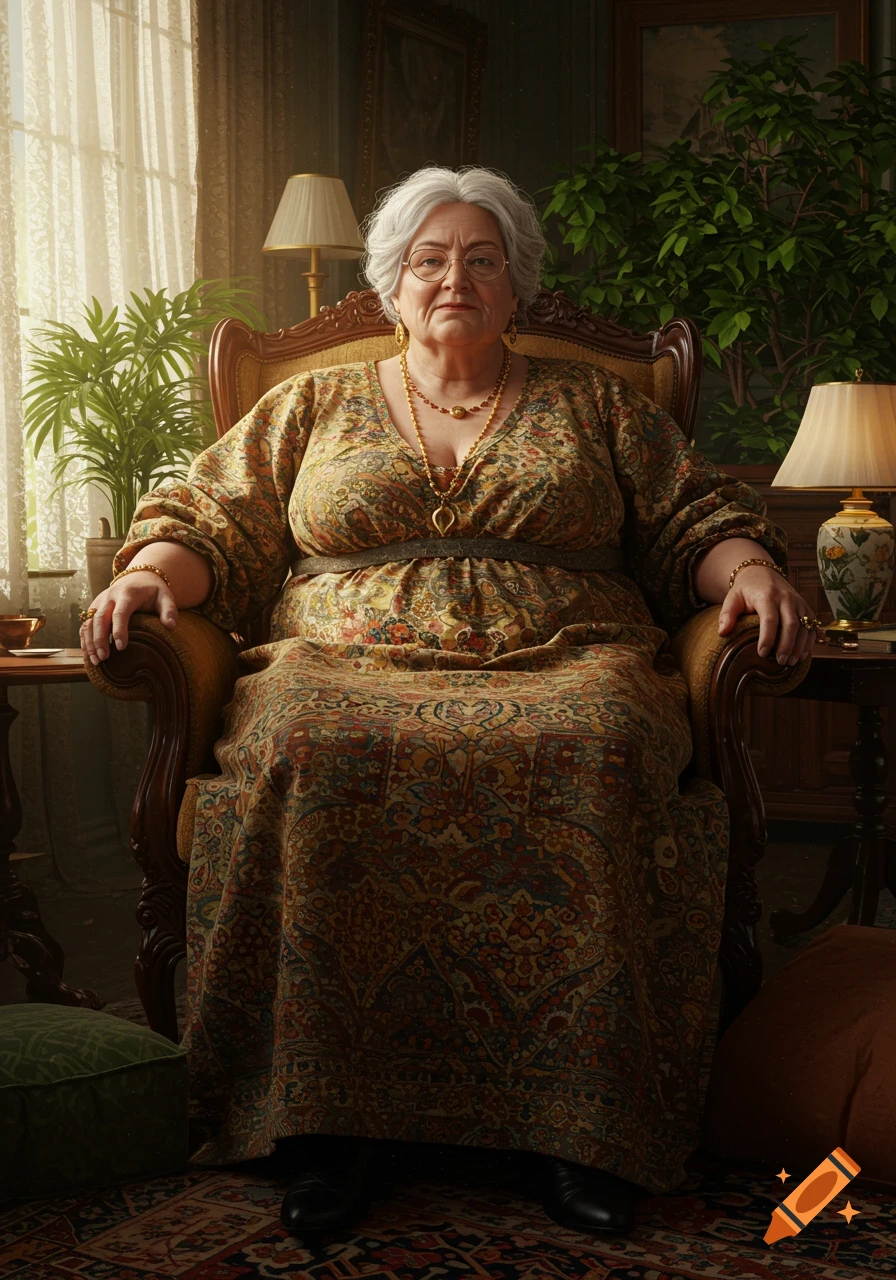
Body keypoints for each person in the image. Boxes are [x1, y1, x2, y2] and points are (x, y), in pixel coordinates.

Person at [80, 166, 821, 1240]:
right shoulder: (306, 402)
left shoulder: (600, 403)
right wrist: (152, 569)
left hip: (567, 658)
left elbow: (691, 516)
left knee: (598, 742)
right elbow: (210, 516)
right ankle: (327, 1127)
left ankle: (577, 1130)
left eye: (481, 258)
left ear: (515, 283)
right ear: (391, 286)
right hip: (339, 668)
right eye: (428, 259)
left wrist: (748, 567)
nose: (453, 277)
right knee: (306, 744)